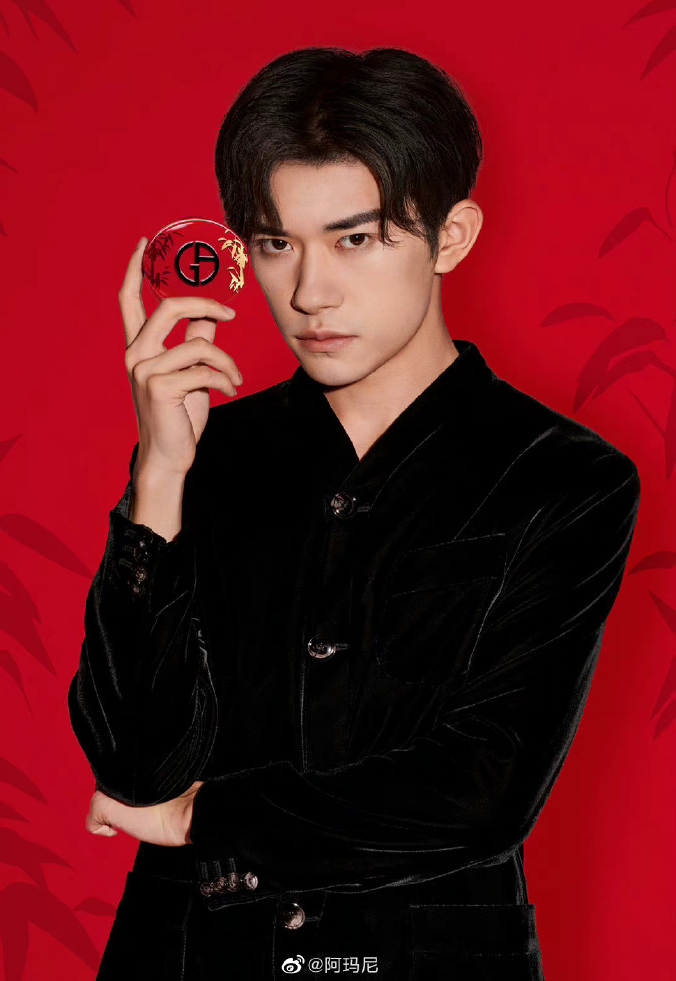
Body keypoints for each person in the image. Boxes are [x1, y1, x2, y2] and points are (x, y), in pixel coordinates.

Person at [67, 45, 641, 980]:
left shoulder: (563, 477)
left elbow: (484, 789)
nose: (308, 293)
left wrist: (203, 817)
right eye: (274, 243)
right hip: (192, 959)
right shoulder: (204, 452)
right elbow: (134, 765)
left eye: (356, 239)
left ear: (451, 236)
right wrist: (162, 479)